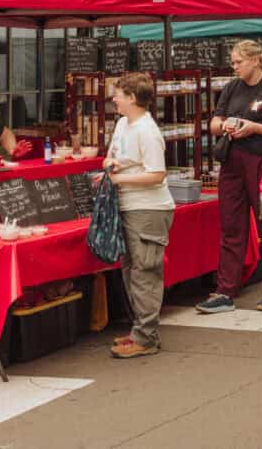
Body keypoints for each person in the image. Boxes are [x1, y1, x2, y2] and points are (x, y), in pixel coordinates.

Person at [195, 40, 262, 314]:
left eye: (238, 61)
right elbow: (214, 123)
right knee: (231, 226)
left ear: (255, 60)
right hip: (232, 161)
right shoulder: (232, 87)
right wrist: (225, 125)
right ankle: (225, 290)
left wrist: (255, 128)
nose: (234, 67)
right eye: (233, 62)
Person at [104, 72, 175, 359]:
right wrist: (111, 164)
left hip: (148, 208)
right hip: (130, 206)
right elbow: (113, 155)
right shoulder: (123, 123)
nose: (114, 99)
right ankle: (140, 331)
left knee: (144, 272)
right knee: (132, 269)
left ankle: (146, 336)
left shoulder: (148, 130)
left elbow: (157, 174)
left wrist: (119, 180)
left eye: (118, 94)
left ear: (132, 98)